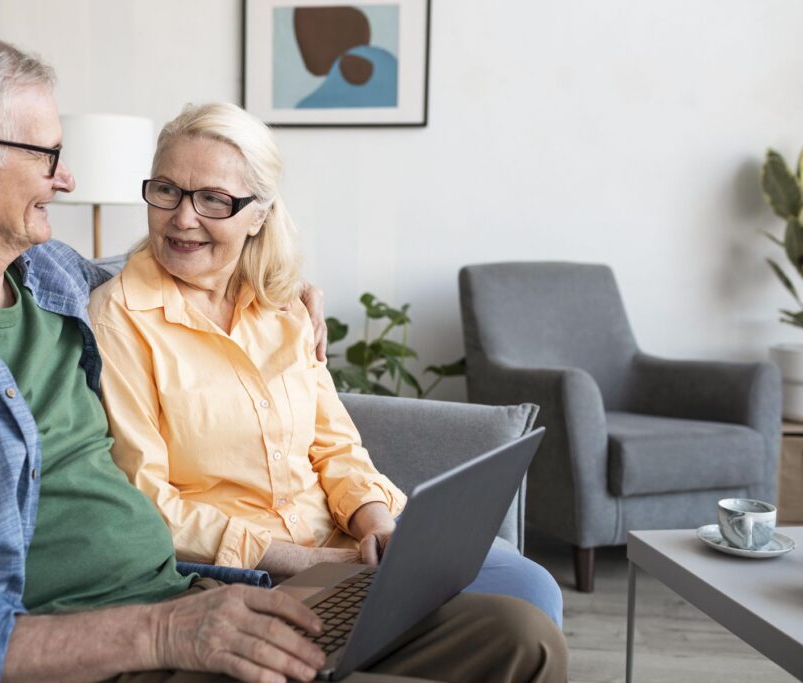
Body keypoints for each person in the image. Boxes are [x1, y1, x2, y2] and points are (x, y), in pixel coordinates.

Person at [0, 28, 567, 683]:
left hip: (201, 593)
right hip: (111, 650)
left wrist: (286, 291)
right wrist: (162, 633)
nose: (68, 177)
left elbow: (175, 280)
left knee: (516, 632)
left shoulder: (46, 276)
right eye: (45, 155)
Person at [88, 102, 563, 624]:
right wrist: (312, 562)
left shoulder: (282, 303)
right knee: (506, 623)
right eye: (166, 190)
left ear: (259, 216)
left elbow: (334, 446)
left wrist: (377, 527)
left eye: (213, 200)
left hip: (339, 544)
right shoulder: (118, 319)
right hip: (247, 572)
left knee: (530, 586)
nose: (183, 217)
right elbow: (148, 503)